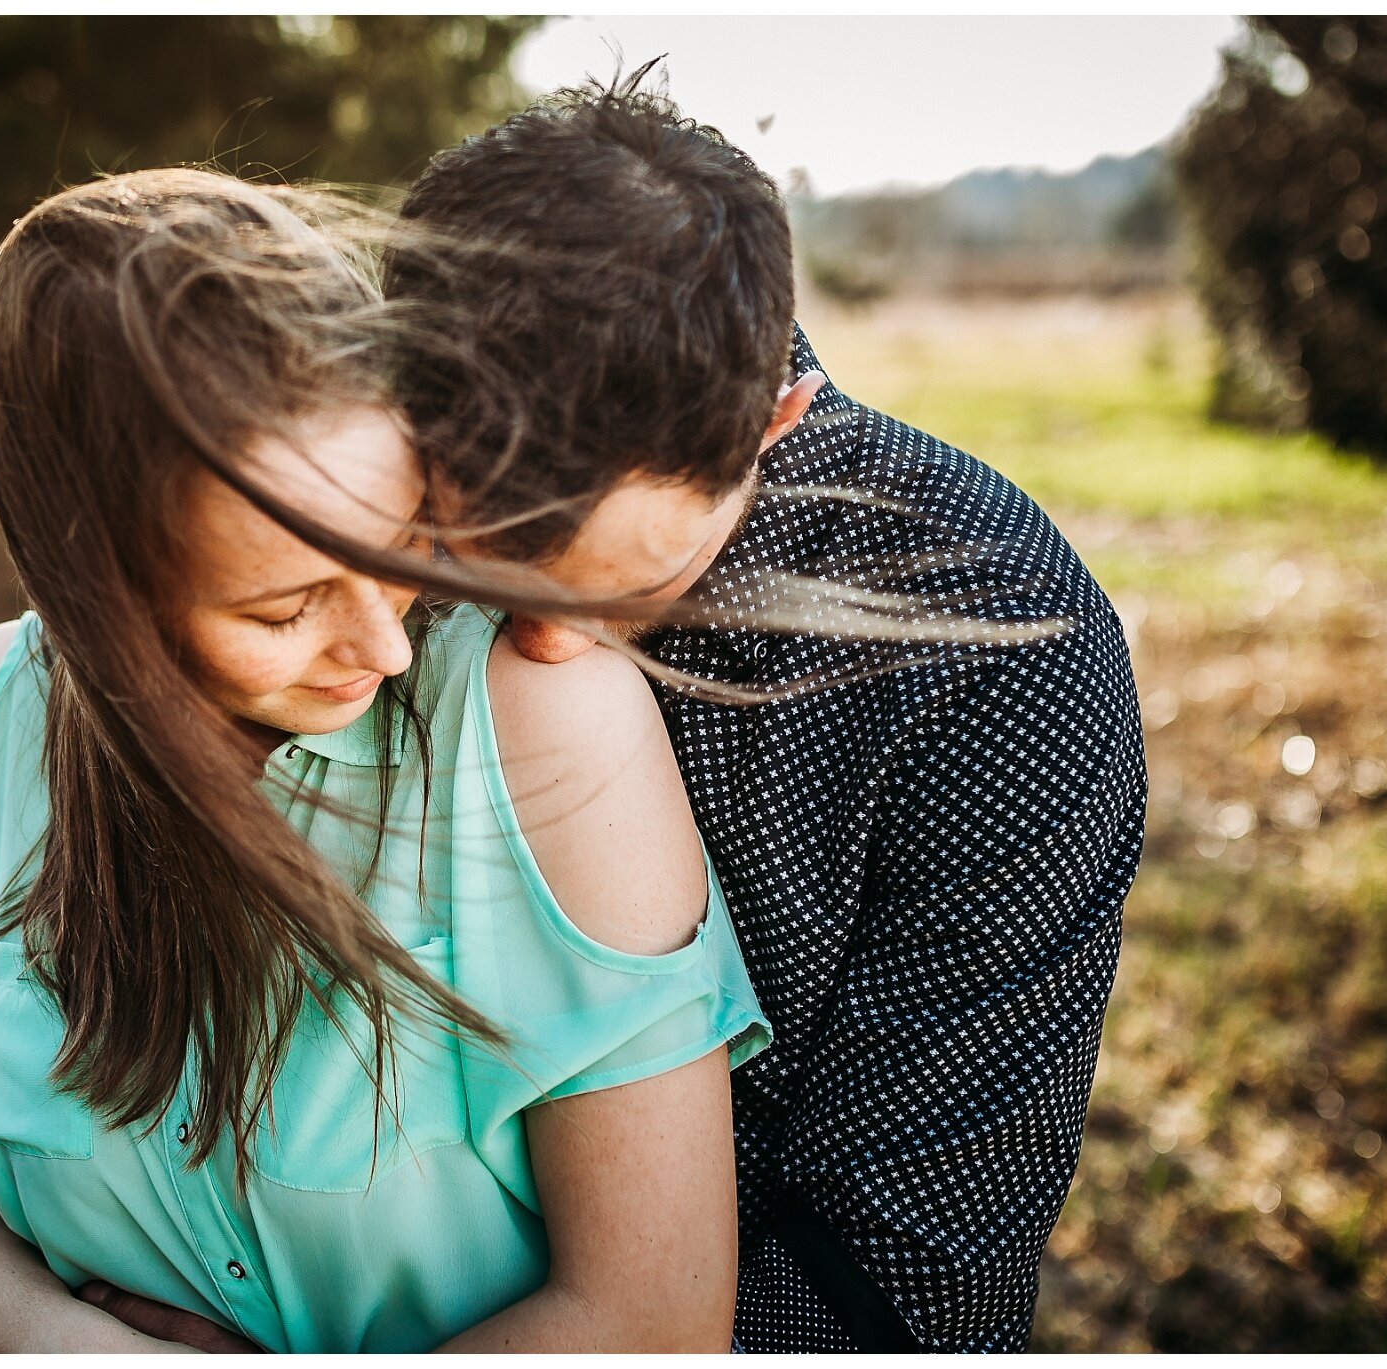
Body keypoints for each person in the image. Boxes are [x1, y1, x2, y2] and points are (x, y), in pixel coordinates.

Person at [0, 167, 772, 1353]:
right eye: (283, 609)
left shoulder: (540, 718)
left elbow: (654, 1319)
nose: (383, 642)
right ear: (96, 591)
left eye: (395, 548)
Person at [384, 72, 1150, 1352]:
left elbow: (904, 1286)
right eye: (465, 571)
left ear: (772, 416)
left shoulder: (999, 657)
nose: (543, 649)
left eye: (613, 589)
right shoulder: (353, 518)